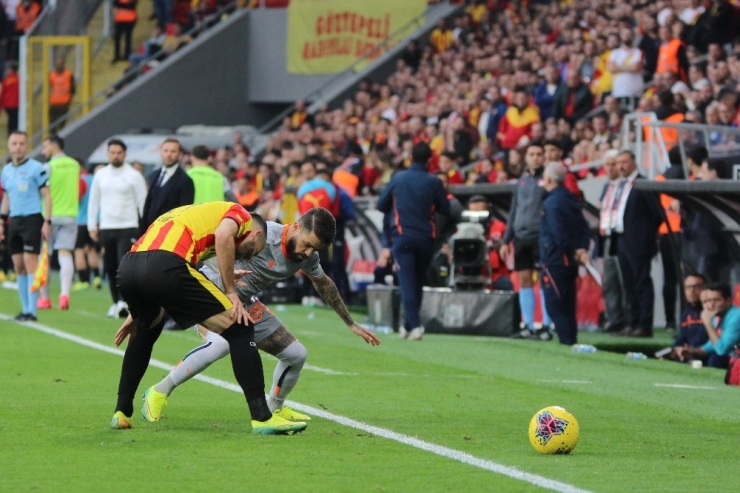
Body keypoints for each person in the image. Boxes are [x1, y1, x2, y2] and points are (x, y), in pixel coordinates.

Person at [140, 210, 380, 423]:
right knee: (221, 344)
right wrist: (220, 272)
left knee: (296, 355)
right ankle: (159, 391)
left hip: (243, 303)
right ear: (296, 226)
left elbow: (324, 284)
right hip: (208, 293)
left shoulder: (307, 256)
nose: (308, 253)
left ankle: (274, 409)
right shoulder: (260, 233)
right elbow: (212, 246)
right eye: (307, 244)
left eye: (314, 249)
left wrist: (351, 323)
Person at [109, 202, 306, 435]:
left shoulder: (187, 214)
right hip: (166, 264)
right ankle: (263, 418)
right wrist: (231, 292)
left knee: (147, 327)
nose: (250, 256)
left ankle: (122, 412)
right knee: (240, 327)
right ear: (255, 234)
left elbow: (155, 258)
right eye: (254, 250)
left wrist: (137, 311)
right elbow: (223, 236)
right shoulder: (240, 214)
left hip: (129, 268)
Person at [377, 142, 450, 341]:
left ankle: (415, 326)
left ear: (410, 157)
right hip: (426, 238)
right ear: (430, 159)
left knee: (408, 282)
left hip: (403, 237)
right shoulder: (433, 181)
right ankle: (408, 325)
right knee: (417, 282)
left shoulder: (398, 178)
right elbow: (445, 208)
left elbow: (381, 204)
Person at [87, 139, 148, 318]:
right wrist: (92, 226)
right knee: (110, 267)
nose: (115, 156)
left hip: (128, 226)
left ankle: (126, 302)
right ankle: (116, 303)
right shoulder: (101, 175)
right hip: (107, 226)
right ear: (108, 155)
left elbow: (143, 204)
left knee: (125, 268)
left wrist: (144, 229)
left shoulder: (134, 175)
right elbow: (94, 202)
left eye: (119, 153)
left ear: (125, 154)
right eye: (112, 153)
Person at [500, 143, 553, 340]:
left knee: (543, 280)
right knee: (523, 279)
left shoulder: (548, 180)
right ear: (526, 158)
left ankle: (547, 325)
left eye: (539, 154)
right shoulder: (521, 182)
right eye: (532, 154)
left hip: (541, 236)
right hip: (521, 237)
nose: (536, 158)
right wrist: (507, 240)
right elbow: (513, 212)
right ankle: (529, 325)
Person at [0, 131, 50, 321]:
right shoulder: (6, 170)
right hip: (15, 220)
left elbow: (47, 195)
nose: (18, 147)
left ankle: (32, 311)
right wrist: (1, 221)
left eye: (22, 143)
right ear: (9, 146)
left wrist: (47, 221)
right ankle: (24, 309)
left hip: (32, 219)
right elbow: (6, 197)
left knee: (31, 264)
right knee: (18, 265)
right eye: (14, 143)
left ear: (26, 145)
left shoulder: (37, 168)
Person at [539, 162, 591, 346]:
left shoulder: (552, 202)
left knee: (555, 304)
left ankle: (567, 341)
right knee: (568, 304)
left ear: (549, 179)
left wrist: (572, 250)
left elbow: (558, 233)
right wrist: (581, 249)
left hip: (556, 259)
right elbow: (584, 228)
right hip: (571, 261)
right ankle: (571, 340)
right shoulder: (571, 199)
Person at [613, 150, 663, 338]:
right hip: (623, 240)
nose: (621, 166)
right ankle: (633, 322)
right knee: (629, 284)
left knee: (641, 282)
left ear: (634, 162)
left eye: (624, 162)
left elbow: (657, 213)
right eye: (618, 163)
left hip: (639, 242)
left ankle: (644, 324)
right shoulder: (622, 185)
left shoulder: (642, 184)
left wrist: (645, 235)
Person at [40, 135, 80, 310]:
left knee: (44, 257)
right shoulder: (74, 164)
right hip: (70, 215)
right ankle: (65, 295)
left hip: (48, 216)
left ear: (54, 146)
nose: (43, 151)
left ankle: (45, 298)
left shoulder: (48, 167)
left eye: (45, 146)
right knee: (65, 255)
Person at [597, 150, 628, 333]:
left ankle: (628, 319)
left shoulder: (624, 186)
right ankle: (613, 318)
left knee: (624, 279)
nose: (609, 168)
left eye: (613, 164)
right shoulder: (607, 186)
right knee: (609, 281)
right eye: (607, 164)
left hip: (620, 236)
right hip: (607, 236)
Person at [676, 283, 739, 369]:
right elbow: (712, 344)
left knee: (715, 360)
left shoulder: (736, 317)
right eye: (708, 301)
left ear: (728, 301)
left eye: (716, 300)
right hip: (730, 356)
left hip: (734, 356)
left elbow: (722, 350)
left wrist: (708, 323)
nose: (711, 305)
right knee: (687, 357)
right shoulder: (718, 315)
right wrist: (694, 351)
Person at [140, 138, 194, 234]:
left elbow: (184, 212)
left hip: (169, 233)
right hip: (149, 231)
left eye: (173, 151)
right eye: (165, 151)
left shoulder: (185, 180)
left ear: (180, 155)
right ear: (161, 152)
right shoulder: (153, 175)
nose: (168, 155)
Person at [72, 160, 102, 292]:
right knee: (91, 249)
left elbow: (76, 198)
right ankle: (96, 277)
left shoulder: (80, 180)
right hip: (95, 220)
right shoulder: (94, 178)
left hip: (82, 220)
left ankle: (83, 280)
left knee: (78, 250)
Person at [48, 57, 75, 129]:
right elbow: (50, 87)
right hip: (54, 104)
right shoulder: (52, 74)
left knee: (62, 125)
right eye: (57, 64)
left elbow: (73, 89)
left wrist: (68, 100)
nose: (59, 65)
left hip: (64, 104)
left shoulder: (68, 74)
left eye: (60, 63)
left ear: (63, 64)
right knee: (52, 125)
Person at [0, 61, 20, 135]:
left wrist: (1, 106)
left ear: (10, 69)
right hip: (17, 104)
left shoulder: (6, 80)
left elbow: (3, 94)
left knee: (11, 121)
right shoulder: (19, 79)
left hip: (8, 105)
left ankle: (11, 135)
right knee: (16, 121)